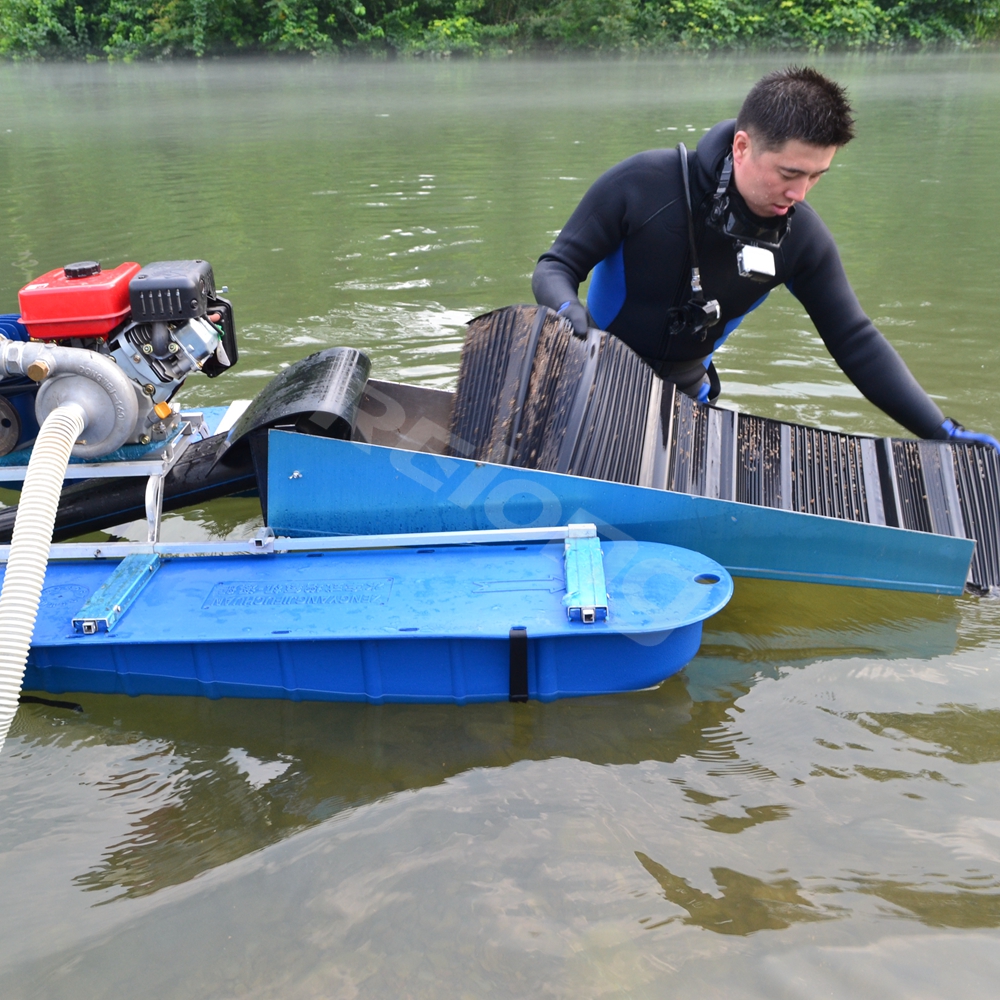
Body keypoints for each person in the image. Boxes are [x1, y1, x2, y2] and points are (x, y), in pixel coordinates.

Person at [532, 65, 999, 451]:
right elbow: (556, 268)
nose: (798, 194)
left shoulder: (802, 240)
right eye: (789, 173)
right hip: (592, 381)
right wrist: (569, 312)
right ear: (742, 147)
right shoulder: (643, 185)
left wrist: (941, 431)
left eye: (817, 177)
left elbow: (855, 340)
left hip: (684, 401)